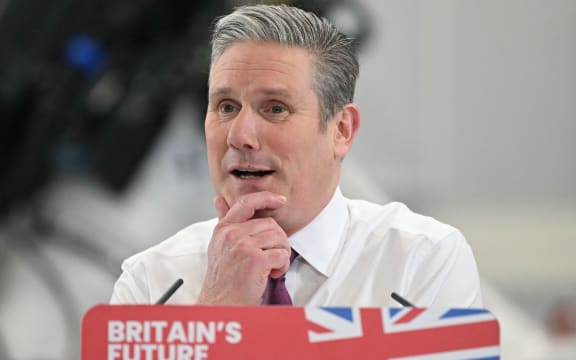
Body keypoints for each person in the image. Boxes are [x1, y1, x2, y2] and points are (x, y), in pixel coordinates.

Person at [110, 4, 482, 307]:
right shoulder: (150, 285)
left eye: (275, 108)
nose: (240, 135)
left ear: (341, 130)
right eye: (225, 107)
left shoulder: (422, 261)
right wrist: (216, 314)